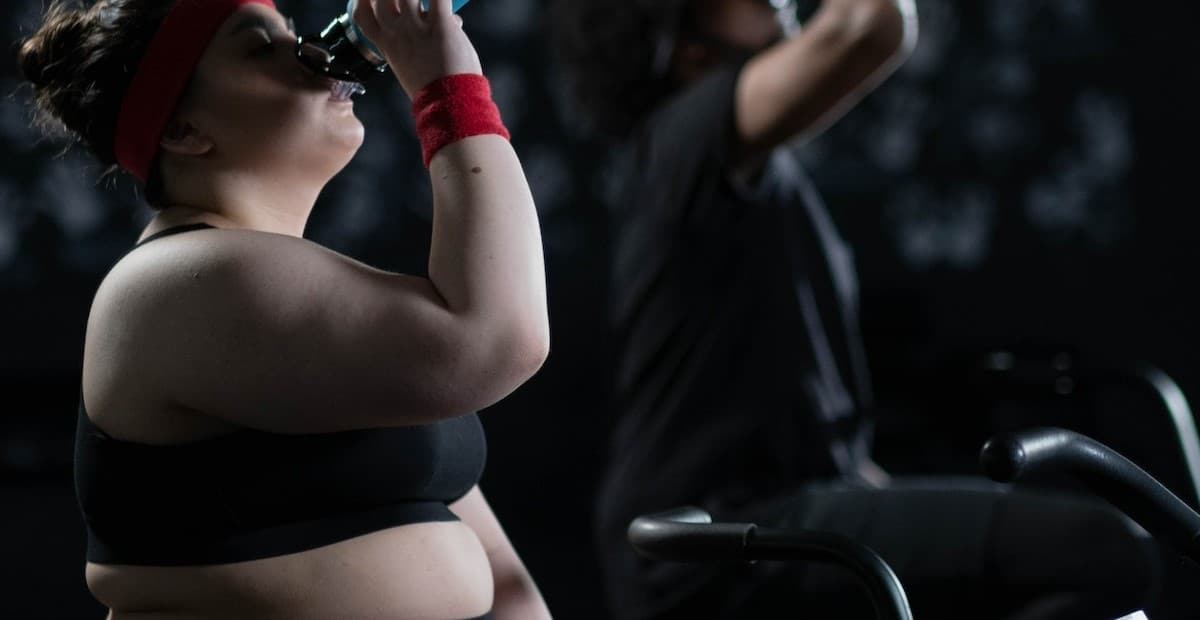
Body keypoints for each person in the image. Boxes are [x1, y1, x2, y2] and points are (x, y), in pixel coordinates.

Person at [553, 0, 1169, 618]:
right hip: (713, 533)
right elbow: (869, 23)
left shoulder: (731, 168)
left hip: (771, 512)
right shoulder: (685, 137)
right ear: (687, 49)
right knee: (1104, 550)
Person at [18, 0, 552, 618]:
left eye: (293, 35)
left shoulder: (310, 302)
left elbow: (499, 569)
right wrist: (446, 84)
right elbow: (498, 338)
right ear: (183, 131)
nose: (315, 57)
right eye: (258, 47)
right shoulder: (178, 283)